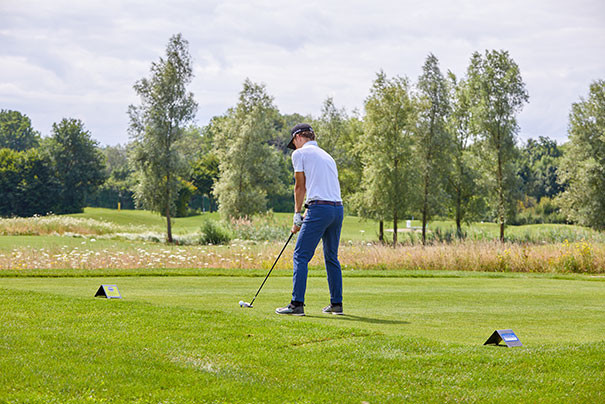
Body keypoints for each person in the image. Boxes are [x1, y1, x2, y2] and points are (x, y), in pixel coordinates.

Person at [275, 123, 344, 316]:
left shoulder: (300, 154)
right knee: (331, 257)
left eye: (294, 142)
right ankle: (336, 304)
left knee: (301, 255)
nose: (294, 147)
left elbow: (300, 186)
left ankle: (296, 305)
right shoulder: (327, 156)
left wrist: (297, 215)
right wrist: (308, 210)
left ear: (298, 137)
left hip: (320, 209)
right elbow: (322, 187)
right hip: (337, 209)